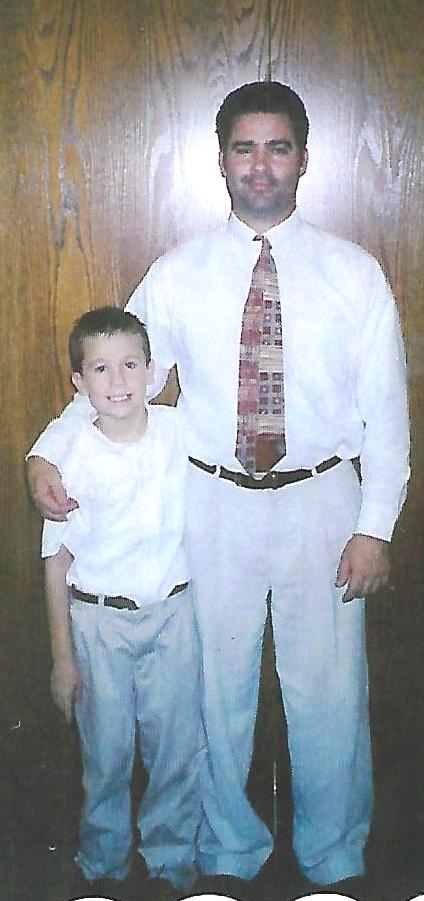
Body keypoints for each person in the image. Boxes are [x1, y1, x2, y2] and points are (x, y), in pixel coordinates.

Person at [27, 82, 410, 895]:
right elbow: (113, 373)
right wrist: (44, 456)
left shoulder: (354, 273)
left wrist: (375, 526)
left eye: (278, 147)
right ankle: (227, 851)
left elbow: (386, 413)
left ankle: (334, 857)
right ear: (222, 160)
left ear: (303, 159)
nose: (260, 165)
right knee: (216, 685)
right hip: (214, 500)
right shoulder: (178, 274)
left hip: (322, 500)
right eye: (244, 148)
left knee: (329, 688)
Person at [39, 306, 203, 899]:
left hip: (172, 615)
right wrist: (63, 660)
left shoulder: (179, 433)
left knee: (176, 749)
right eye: (101, 369)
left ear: (152, 371)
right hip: (97, 623)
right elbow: (55, 562)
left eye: (131, 365)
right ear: (79, 383)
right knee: (106, 754)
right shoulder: (70, 458)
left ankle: (171, 862)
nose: (117, 381)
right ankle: (103, 864)